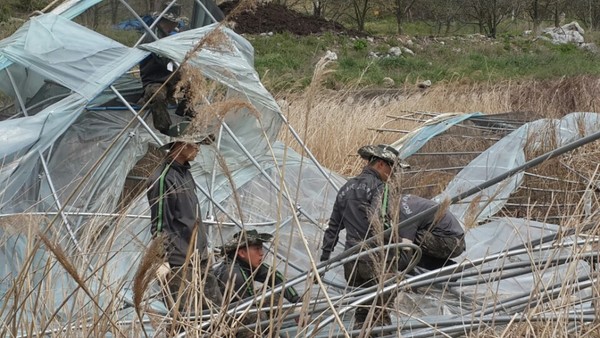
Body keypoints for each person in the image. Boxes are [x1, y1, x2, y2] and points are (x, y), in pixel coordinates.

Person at [146, 121, 221, 329]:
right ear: (180, 145)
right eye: (195, 144)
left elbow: (190, 217)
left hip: (199, 258)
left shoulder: (185, 173)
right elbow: (160, 224)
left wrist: (204, 248)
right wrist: (161, 260)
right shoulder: (163, 178)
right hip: (180, 263)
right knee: (185, 321)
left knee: (214, 313)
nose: (198, 149)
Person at [320, 144, 403, 331]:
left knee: (361, 311)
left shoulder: (346, 188)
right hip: (375, 259)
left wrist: (324, 261)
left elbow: (333, 228)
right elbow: (379, 220)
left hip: (351, 262)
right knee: (380, 314)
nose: (393, 174)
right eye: (393, 168)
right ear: (381, 164)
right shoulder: (381, 187)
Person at [215, 229, 300, 337]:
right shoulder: (234, 275)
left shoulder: (246, 264)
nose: (261, 253)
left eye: (261, 248)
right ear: (242, 253)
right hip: (222, 322)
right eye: (257, 249)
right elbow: (250, 306)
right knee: (259, 316)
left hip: (238, 310)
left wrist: (297, 302)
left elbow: (275, 276)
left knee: (274, 295)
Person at [138, 3, 189, 134]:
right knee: (157, 95)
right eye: (174, 23)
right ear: (165, 21)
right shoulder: (151, 35)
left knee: (192, 86)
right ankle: (165, 128)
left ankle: (187, 116)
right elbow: (162, 59)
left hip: (171, 78)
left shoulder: (170, 35)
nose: (176, 26)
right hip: (154, 79)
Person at [397, 194, 466, 271]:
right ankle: (445, 266)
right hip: (449, 235)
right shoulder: (401, 198)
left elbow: (406, 252)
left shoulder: (404, 216)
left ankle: (444, 270)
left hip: (453, 242)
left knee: (409, 239)